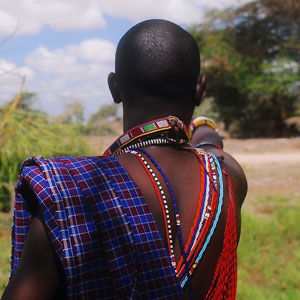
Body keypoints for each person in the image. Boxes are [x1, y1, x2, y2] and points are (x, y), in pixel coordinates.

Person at [1, 19, 247, 300]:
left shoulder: (72, 194)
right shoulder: (228, 177)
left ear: (114, 88)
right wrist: (203, 126)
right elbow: (211, 147)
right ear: (199, 89)